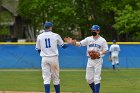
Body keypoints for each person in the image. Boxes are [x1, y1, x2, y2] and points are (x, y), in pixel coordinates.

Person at [65, 25, 108, 93]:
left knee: (96, 78)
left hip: (98, 60)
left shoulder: (102, 40)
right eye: (92, 30)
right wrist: (73, 43)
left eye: (94, 30)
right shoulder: (88, 39)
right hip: (90, 60)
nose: (92, 31)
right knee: (88, 79)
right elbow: (80, 44)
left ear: (98, 31)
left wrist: (99, 53)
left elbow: (105, 50)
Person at [36, 22, 69, 93]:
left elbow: (38, 49)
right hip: (53, 58)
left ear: (45, 27)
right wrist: (70, 43)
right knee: (56, 78)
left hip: (44, 58)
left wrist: (43, 55)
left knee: (46, 78)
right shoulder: (56, 35)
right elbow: (63, 46)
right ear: (51, 27)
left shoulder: (39, 36)